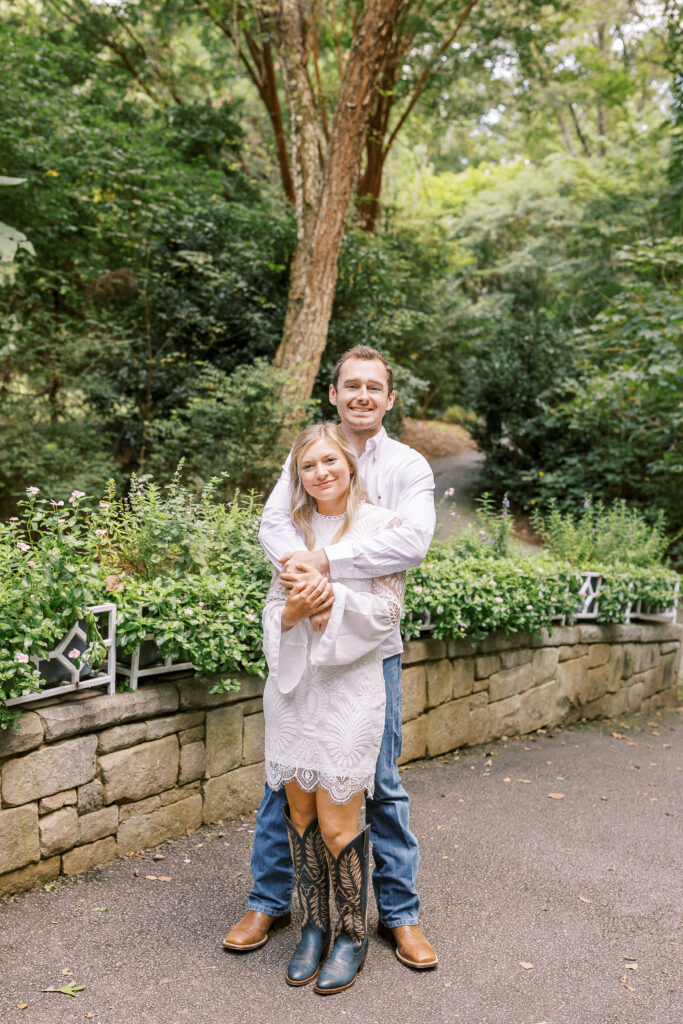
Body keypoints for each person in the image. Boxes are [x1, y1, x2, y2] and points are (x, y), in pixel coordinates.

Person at [223, 345, 438, 971]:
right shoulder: (311, 452)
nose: (363, 395)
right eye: (352, 386)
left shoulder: (407, 466)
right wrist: (302, 577)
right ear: (335, 393)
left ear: (389, 398)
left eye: (375, 387)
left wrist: (328, 572)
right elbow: (275, 525)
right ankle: (275, 902)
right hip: (301, 650)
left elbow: (411, 542)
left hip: (371, 654)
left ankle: (397, 916)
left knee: (380, 784)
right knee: (288, 788)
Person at [261, 421, 406, 993]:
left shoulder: (379, 528)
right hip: (296, 692)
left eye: (329, 461)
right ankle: (313, 927)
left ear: (350, 464)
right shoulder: (291, 533)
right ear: (299, 477)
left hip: (349, 689)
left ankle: (350, 932)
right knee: (298, 812)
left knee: (337, 819)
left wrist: (333, 598)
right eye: (308, 466)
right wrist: (294, 614)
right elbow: (275, 609)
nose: (320, 473)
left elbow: (388, 612)